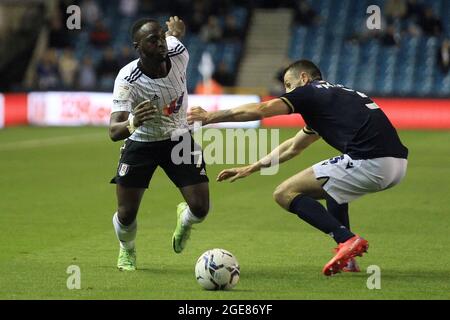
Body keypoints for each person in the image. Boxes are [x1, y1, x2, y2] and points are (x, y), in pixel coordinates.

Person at [187, 60, 408, 276]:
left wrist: (210, 116)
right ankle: (348, 258)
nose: (287, 91)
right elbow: (293, 147)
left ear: (304, 77)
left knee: (284, 193)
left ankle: (347, 239)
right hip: (397, 166)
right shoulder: (334, 97)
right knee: (333, 187)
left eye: (289, 85)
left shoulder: (310, 92)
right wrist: (252, 167)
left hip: (371, 161)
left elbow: (262, 109)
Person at [109, 16, 210, 271]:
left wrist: (175, 31)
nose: (160, 43)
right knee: (126, 214)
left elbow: (174, 36)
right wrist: (133, 121)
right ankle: (127, 249)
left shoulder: (178, 52)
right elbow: (113, 130)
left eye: (161, 37)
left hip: (178, 137)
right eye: (152, 40)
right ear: (138, 46)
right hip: (142, 143)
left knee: (200, 208)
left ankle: (184, 221)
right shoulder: (127, 79)